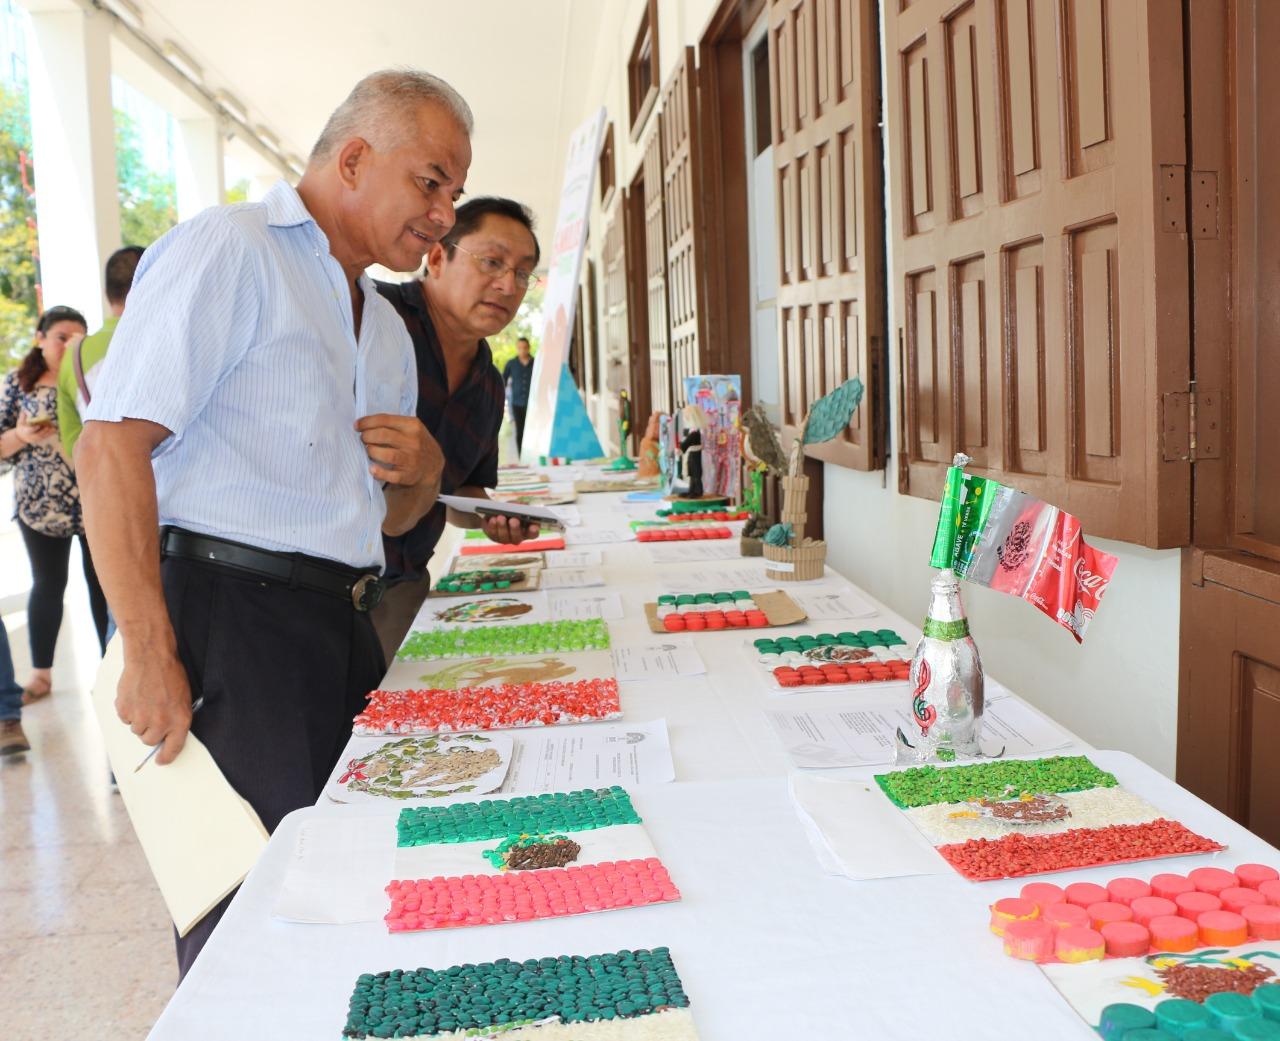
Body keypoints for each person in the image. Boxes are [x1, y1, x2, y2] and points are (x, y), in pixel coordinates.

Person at [74, 68, 467, 977]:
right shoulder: (233, 251)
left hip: (341, 624)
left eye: (454, 190)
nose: (445, 213)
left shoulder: (384, 329)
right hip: (230, 623)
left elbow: (389, 512)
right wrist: (147, 649)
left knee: (349, 897)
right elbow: (110, 451)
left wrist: (426, 474)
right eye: (431, 182)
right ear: (357, 157)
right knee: (250, 927)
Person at [371, 196, 543, 660]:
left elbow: (463, 494)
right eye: (491, 262)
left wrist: (493, 517)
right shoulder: (373, 318)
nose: (508, 285)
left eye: (523, 273)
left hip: (401, 593)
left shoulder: (488, 383)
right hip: (313, 589)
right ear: (436, 257)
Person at [0, 306, 110, 713]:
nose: (69, 344)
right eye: (62, 336)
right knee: (49, 585)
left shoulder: (91, 377)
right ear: (40, 338)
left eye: (78, 336)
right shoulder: (18, 384)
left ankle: (110, 670)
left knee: (103, 585)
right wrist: (22, 435)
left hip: (93, 500)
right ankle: (41, 673)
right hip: (39, 507)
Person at [57, 246, 145, 462]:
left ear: (107, 293)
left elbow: (72, 442)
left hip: (109, 486)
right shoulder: (171, 340)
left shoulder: (73, 355)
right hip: (179, 487)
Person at [502, 335, 534, 452]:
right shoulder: (511, 363)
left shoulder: (535, 362)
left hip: (533, 404)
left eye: (525, 348)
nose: (522, 350)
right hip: (517, 403)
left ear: (529, 348)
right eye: (520, 348)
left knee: (532, 432)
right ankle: (521, 457)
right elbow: (502, 381)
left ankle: (532, 456)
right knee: (520, 431)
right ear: (517, 348)